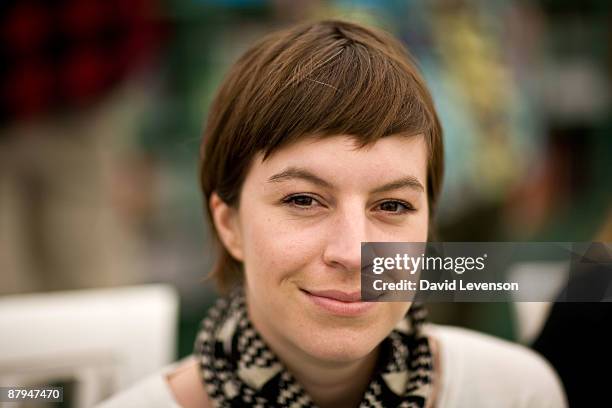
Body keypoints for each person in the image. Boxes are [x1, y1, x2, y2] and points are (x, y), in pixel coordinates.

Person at [97, 19, 566, 408]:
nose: (353, 253)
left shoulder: (517, 393)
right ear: (229, 224)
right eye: (303, 200)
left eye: (392, 206)